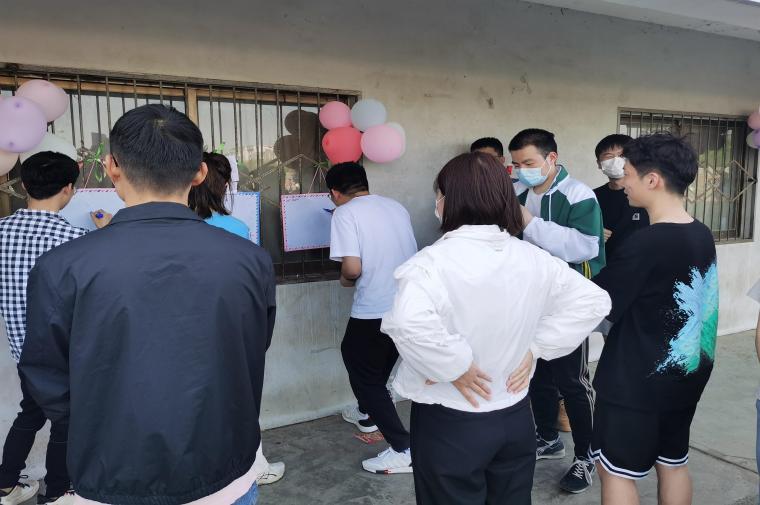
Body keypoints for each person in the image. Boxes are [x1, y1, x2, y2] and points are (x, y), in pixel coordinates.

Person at [18, 104, 276, 505]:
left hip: (114, 471)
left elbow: (46, 376)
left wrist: (98, 420)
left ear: (111, 167)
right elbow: (254, 347)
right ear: (199, 172)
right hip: (225, 466)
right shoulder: (250, 259)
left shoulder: (62, 265)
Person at [381, 152, 611, 504]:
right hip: (515, 416)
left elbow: (407, 322)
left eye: (438, 195)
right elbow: (594, 301)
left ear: (449, 201)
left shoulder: (431, 263)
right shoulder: (532, 257)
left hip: (452, 419)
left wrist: (455, 365)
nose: (436, 203)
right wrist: (537, 347)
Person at [590, 133, 718, 505]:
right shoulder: (701, 232)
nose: (623, 182)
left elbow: (598, 302)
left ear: (652, 180)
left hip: (637, 379)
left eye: (628, 173)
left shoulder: (647, 241)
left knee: (615, 472)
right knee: (673, 463)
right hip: (687, 371)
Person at [508, 128, 606, 493]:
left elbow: (586, 247)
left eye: (529, 162)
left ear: (551, 158)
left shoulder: (577, 195)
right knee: (537, 376)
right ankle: (548, 438)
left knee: (573, 382)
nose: (523, 170)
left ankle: (587, 457)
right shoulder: (517, 193)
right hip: (530, 301)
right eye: (516, 164)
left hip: (566, 304)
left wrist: (530, 223)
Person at [0, 152, 96, 505]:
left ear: (24, 185)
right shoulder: (76, 238)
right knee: (65, 421)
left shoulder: (1, 231)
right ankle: (57, 492)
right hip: (64, 349)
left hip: (22, 349)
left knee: (31, 412)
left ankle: (5, 484)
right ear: (69, 189)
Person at [188, 151, 285, 486]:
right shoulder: (235, 228)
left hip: (185, 329)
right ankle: (253, 467)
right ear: (224, 185)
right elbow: (250, 287)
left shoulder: (172, 228)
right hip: (229, 328)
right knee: (238, 400)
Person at [327, 162, 417, 474]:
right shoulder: (395, 207)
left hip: (374, 305)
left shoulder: (344, 213)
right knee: (376, 365)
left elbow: (352, 268)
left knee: (361, 369)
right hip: (406, 303)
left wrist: (344, 279)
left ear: (335, 193)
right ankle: (367, 412)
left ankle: (403, 448)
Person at [593, 134, 649, 261]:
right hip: (604, 266)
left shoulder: (648, 195)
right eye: (609, 156)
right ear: (599, 163)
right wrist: (593, 233)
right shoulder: (591, 197)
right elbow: (582, 230)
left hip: (641, 265)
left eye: (622, 155)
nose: (616, 160)